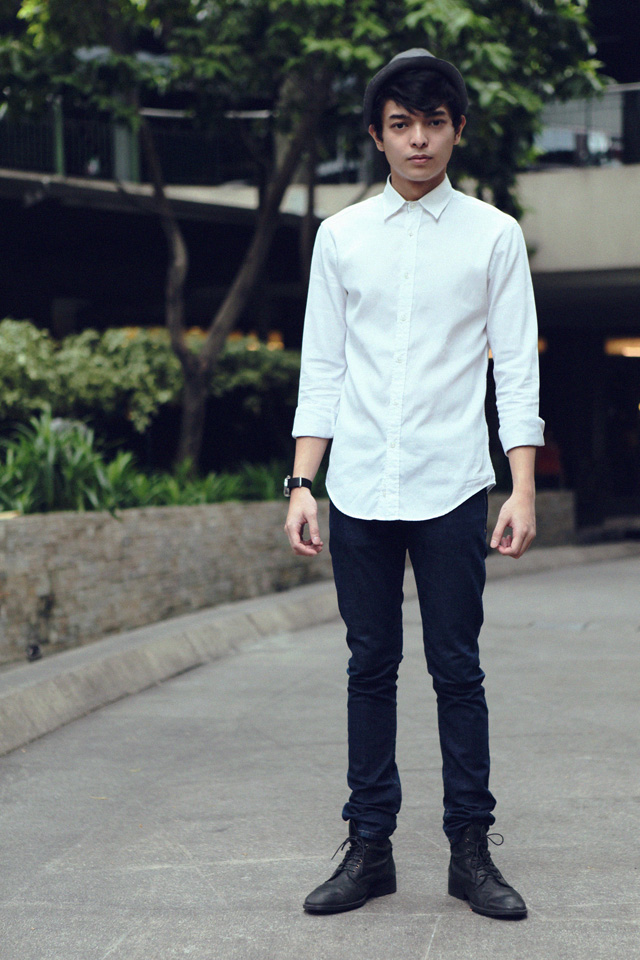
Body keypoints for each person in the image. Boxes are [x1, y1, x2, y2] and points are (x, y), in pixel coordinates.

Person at [283, 48, 544, 921]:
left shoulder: (494, 236)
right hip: (358, 485)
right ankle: (370, 850)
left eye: (434, 122)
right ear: (376, 134)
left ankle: (471, 853)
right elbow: (322, 368)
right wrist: (302, 482)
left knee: (457, 670)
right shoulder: (341, 237)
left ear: (458, 129)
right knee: (370, 668)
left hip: (452, 485)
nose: (419, 139)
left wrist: (522, 487)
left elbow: (517, 372)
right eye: (401, 124)